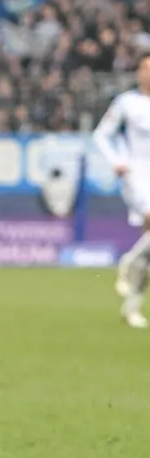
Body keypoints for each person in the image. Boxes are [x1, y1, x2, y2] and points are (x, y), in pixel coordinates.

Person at [91, 51, 150, 329]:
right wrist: (117, 162)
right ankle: (128, 262)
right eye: (145, 68)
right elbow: (101, 134)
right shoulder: (127, 102)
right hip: (138, 173)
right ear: (138, 72)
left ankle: (132, 306)